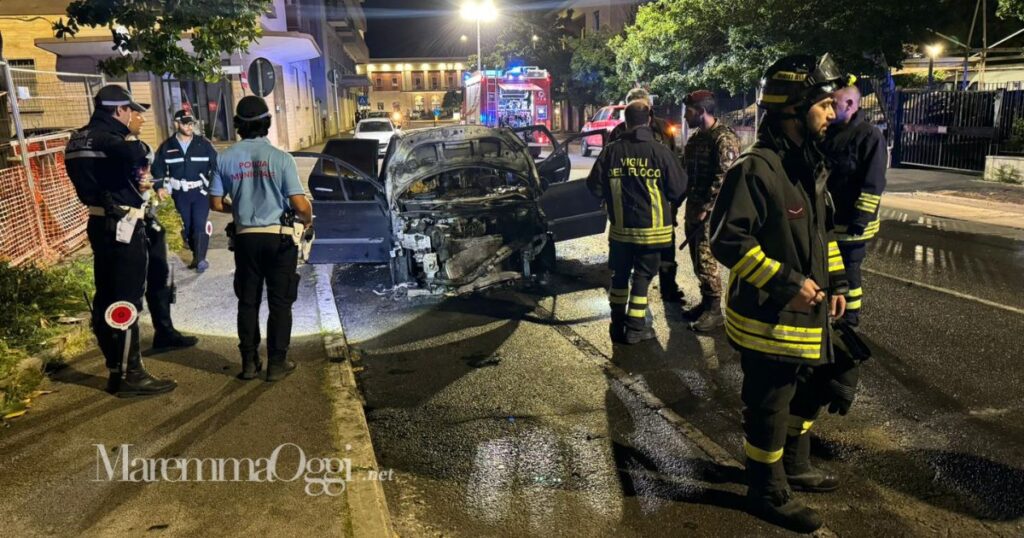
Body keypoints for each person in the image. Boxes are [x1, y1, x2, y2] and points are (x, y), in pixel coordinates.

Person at [709, 54, 849, 533]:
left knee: (808, 388)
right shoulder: (756, 168)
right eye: (824, 104)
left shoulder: (804, 164)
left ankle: (793, 464)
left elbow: (822, 238)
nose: (833, 113)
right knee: (769, 403)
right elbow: (728, 240)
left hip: (807, 312)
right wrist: (786, 284)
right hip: (767, 317)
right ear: (794, 107)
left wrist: (837, 284)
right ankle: (766, 489)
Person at [65, 85, 177, 397]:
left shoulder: (77, 139)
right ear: (118, 110)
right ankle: (132, 374)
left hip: (98, 221)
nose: (135, 116)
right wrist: (137, 142)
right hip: (122, 223)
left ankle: (116, 368)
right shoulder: (112, 140)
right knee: (126, 299)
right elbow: (138, 153)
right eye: (131, 110)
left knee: (107, 295)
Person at [209, 96, 312, 381]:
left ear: (238, 125)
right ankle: (277, 364)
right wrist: (308, 219)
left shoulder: (224, 158)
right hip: (279, 239)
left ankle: (249, 363)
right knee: (280, 302)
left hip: (245, 240)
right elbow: (299, 204)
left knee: (247, 301)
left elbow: (215, 203)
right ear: (267, 122)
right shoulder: (281, 158)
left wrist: (239, 209)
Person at [587, 100, 688, 344]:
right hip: (653, 233)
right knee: (642, 277)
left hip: (621, 231)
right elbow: (678, 189)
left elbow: (594, 187)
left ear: (626, 121)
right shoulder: (660, 151)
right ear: (649, 120)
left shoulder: (611, 151)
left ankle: (617, 323)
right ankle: (635, 328)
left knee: (619, 275)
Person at [608, 88, 685, 303]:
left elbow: (674, 162)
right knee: (631, 259)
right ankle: (636, 288)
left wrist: (673, 205)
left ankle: (668, 286)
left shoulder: (663, 128)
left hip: (660, 204)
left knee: (667, 249)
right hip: (628, 206)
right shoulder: (617, 133)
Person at [822, 83, 888, 327]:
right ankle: (832, 310)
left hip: (852, 223)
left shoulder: (869, 136)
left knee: (848, 270)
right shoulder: (829, 132)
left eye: (834, 103)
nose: (829, 109)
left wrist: (860, 220)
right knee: (829, 268)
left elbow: (873, 183)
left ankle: (849, 318)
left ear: (850, 104)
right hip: (831, 218)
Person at [131, 126, 200, 353]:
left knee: (159, 276)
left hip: (143, 219)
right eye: (143, 168)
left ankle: (164, 332)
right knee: (134, 284)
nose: (147, 174)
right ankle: (126, 349)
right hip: (127, 223)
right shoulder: (116, 147)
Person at [680, 89, 742, 332]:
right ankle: (706, 302)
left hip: (712, 212)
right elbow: (686, 174)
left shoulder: (723, 138)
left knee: (706, 259)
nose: (685, 116)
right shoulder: (696, 139)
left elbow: (725, 176)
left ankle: (715, 311)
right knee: (697, 258)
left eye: (689, 111)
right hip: (694, 208)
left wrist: (707, 207)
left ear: (702, 111)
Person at [152, 110, 218, 273]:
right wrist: (159, 186)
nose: (189, 127)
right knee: (188, 227)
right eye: (185, 123)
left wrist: (214, 188)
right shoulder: (167, 146)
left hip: (200, 192)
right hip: (180, 194)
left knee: (199, 224)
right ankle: (196, 256)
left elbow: (216, 166)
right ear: (176, 124)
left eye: (191, 123)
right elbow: (158, 168)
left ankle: (201, 259)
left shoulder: (203, 144)